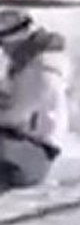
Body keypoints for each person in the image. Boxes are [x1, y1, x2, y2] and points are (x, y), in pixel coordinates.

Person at [0, 10, 70, 190]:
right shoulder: (29, 66)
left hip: (32, 154)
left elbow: (17, 116)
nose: (4, 52)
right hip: (24, 150)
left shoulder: (43, 69)